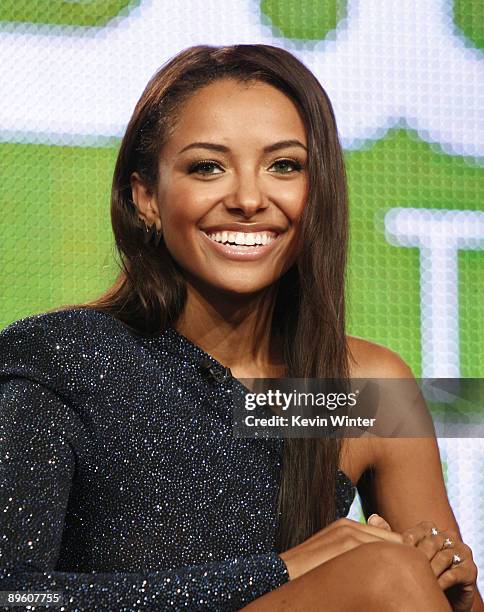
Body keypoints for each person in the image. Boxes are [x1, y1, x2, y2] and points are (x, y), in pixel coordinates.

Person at [0, 44, 481, 611]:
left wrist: (454, 582)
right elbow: (15, 593)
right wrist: (280, 570)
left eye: (284, 166)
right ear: (146, 196)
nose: (250, 199)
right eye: (208, 167)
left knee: (392, 570)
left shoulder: (355, 392)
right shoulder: (63, 358)